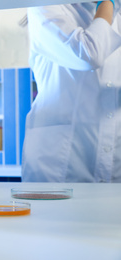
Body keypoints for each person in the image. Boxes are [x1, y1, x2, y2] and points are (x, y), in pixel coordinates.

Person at [22, 1, 121, 182]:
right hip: (58, 166)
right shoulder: (45, 7)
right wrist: (108, 3)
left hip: (114, 162)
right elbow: (89, 53)